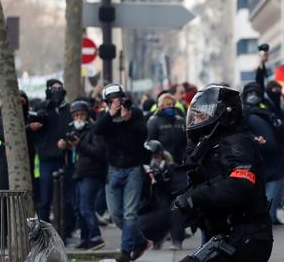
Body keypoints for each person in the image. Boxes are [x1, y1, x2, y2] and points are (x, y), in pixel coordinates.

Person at [172, 85, 273, 261]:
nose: (197, 118)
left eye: (202, 114)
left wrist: (195, 197)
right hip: (226, 234)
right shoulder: (211, 144)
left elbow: (241, 184)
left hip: (246, 235)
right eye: (196, 114)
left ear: (223, 113)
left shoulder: (237, 143)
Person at [95, 83, 151, 262]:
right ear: (107, 102)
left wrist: (128, 121)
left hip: (133, 168)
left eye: (118, 99)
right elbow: (97, 131)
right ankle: (141, 241)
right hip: (113, 170)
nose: (116, 103)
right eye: (111, 101)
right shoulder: (105, 117)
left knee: (130, 214)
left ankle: (126, 252)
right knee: (117, 216)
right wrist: (111, 115)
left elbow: (143, 134)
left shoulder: (135, 113)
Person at [61, 101, 107, 250]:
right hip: (78, 172)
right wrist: (65, 146)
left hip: (91, 172)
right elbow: (73, 153)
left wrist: (80, 144)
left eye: (81, 114)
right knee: (78, 207)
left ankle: (96, 237)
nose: (78, 118)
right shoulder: (73, 132)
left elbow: (99, 151)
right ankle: (85, 238)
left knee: (86, 207)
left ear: (87, 115)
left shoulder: (94, 130)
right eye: (75, 115)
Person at [145, 92, 188, 249]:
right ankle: (159, 237)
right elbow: (148, 144)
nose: (169, 108)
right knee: (162, 207)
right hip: (160, 169)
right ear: (160, 106)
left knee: (177, 206)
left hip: (177, 169)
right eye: (166, 105)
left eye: (171, 105)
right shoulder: (154, 122)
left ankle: (177, 239)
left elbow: (186, 143)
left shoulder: (180, 121)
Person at [242, 82, 284, 226]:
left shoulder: (268, 107)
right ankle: (266, 217)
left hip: (272, 154)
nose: (253, 96)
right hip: (257, 156)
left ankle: (270, 216)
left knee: (273, 186)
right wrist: (254, 139)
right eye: (250, 93)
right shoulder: (244, 112)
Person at [31, 79, 72, 225]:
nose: (57, 92)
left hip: (63, 158)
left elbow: (71, 130)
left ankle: (65, 231)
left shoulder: (67, 109)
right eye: (53, 89)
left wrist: (67, 142)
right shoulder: (42, 107)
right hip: (46, 160)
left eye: (59, 88)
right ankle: (44, 233)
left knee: (65, 198)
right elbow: (36, 123)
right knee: (45, 199)